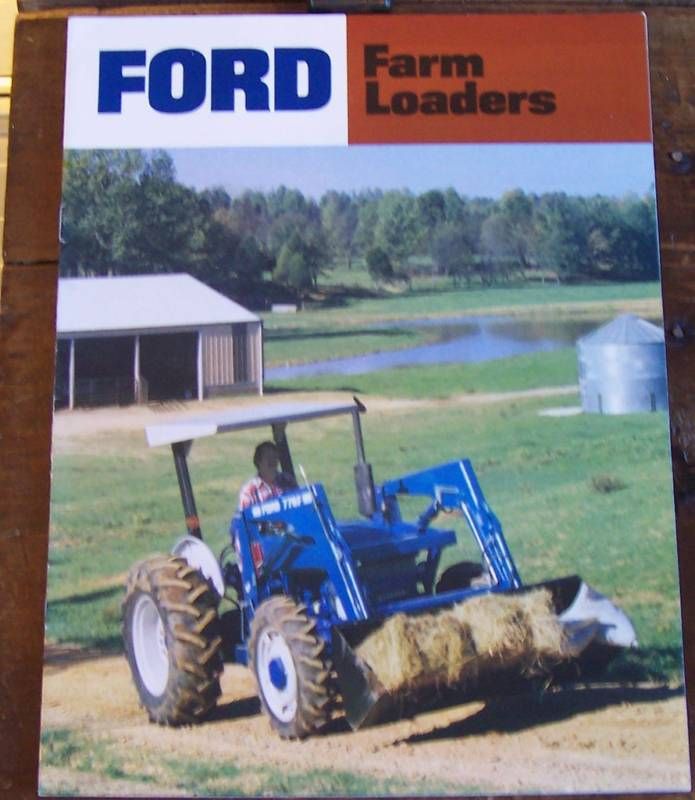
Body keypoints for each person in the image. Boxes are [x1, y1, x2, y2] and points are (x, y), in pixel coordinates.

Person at [238, 441, 296, 510]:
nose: (272, 460)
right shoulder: (249, 491)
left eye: (274, 456)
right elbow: (246, 518)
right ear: (258, 462)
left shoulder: (288, 481)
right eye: (268, 457)